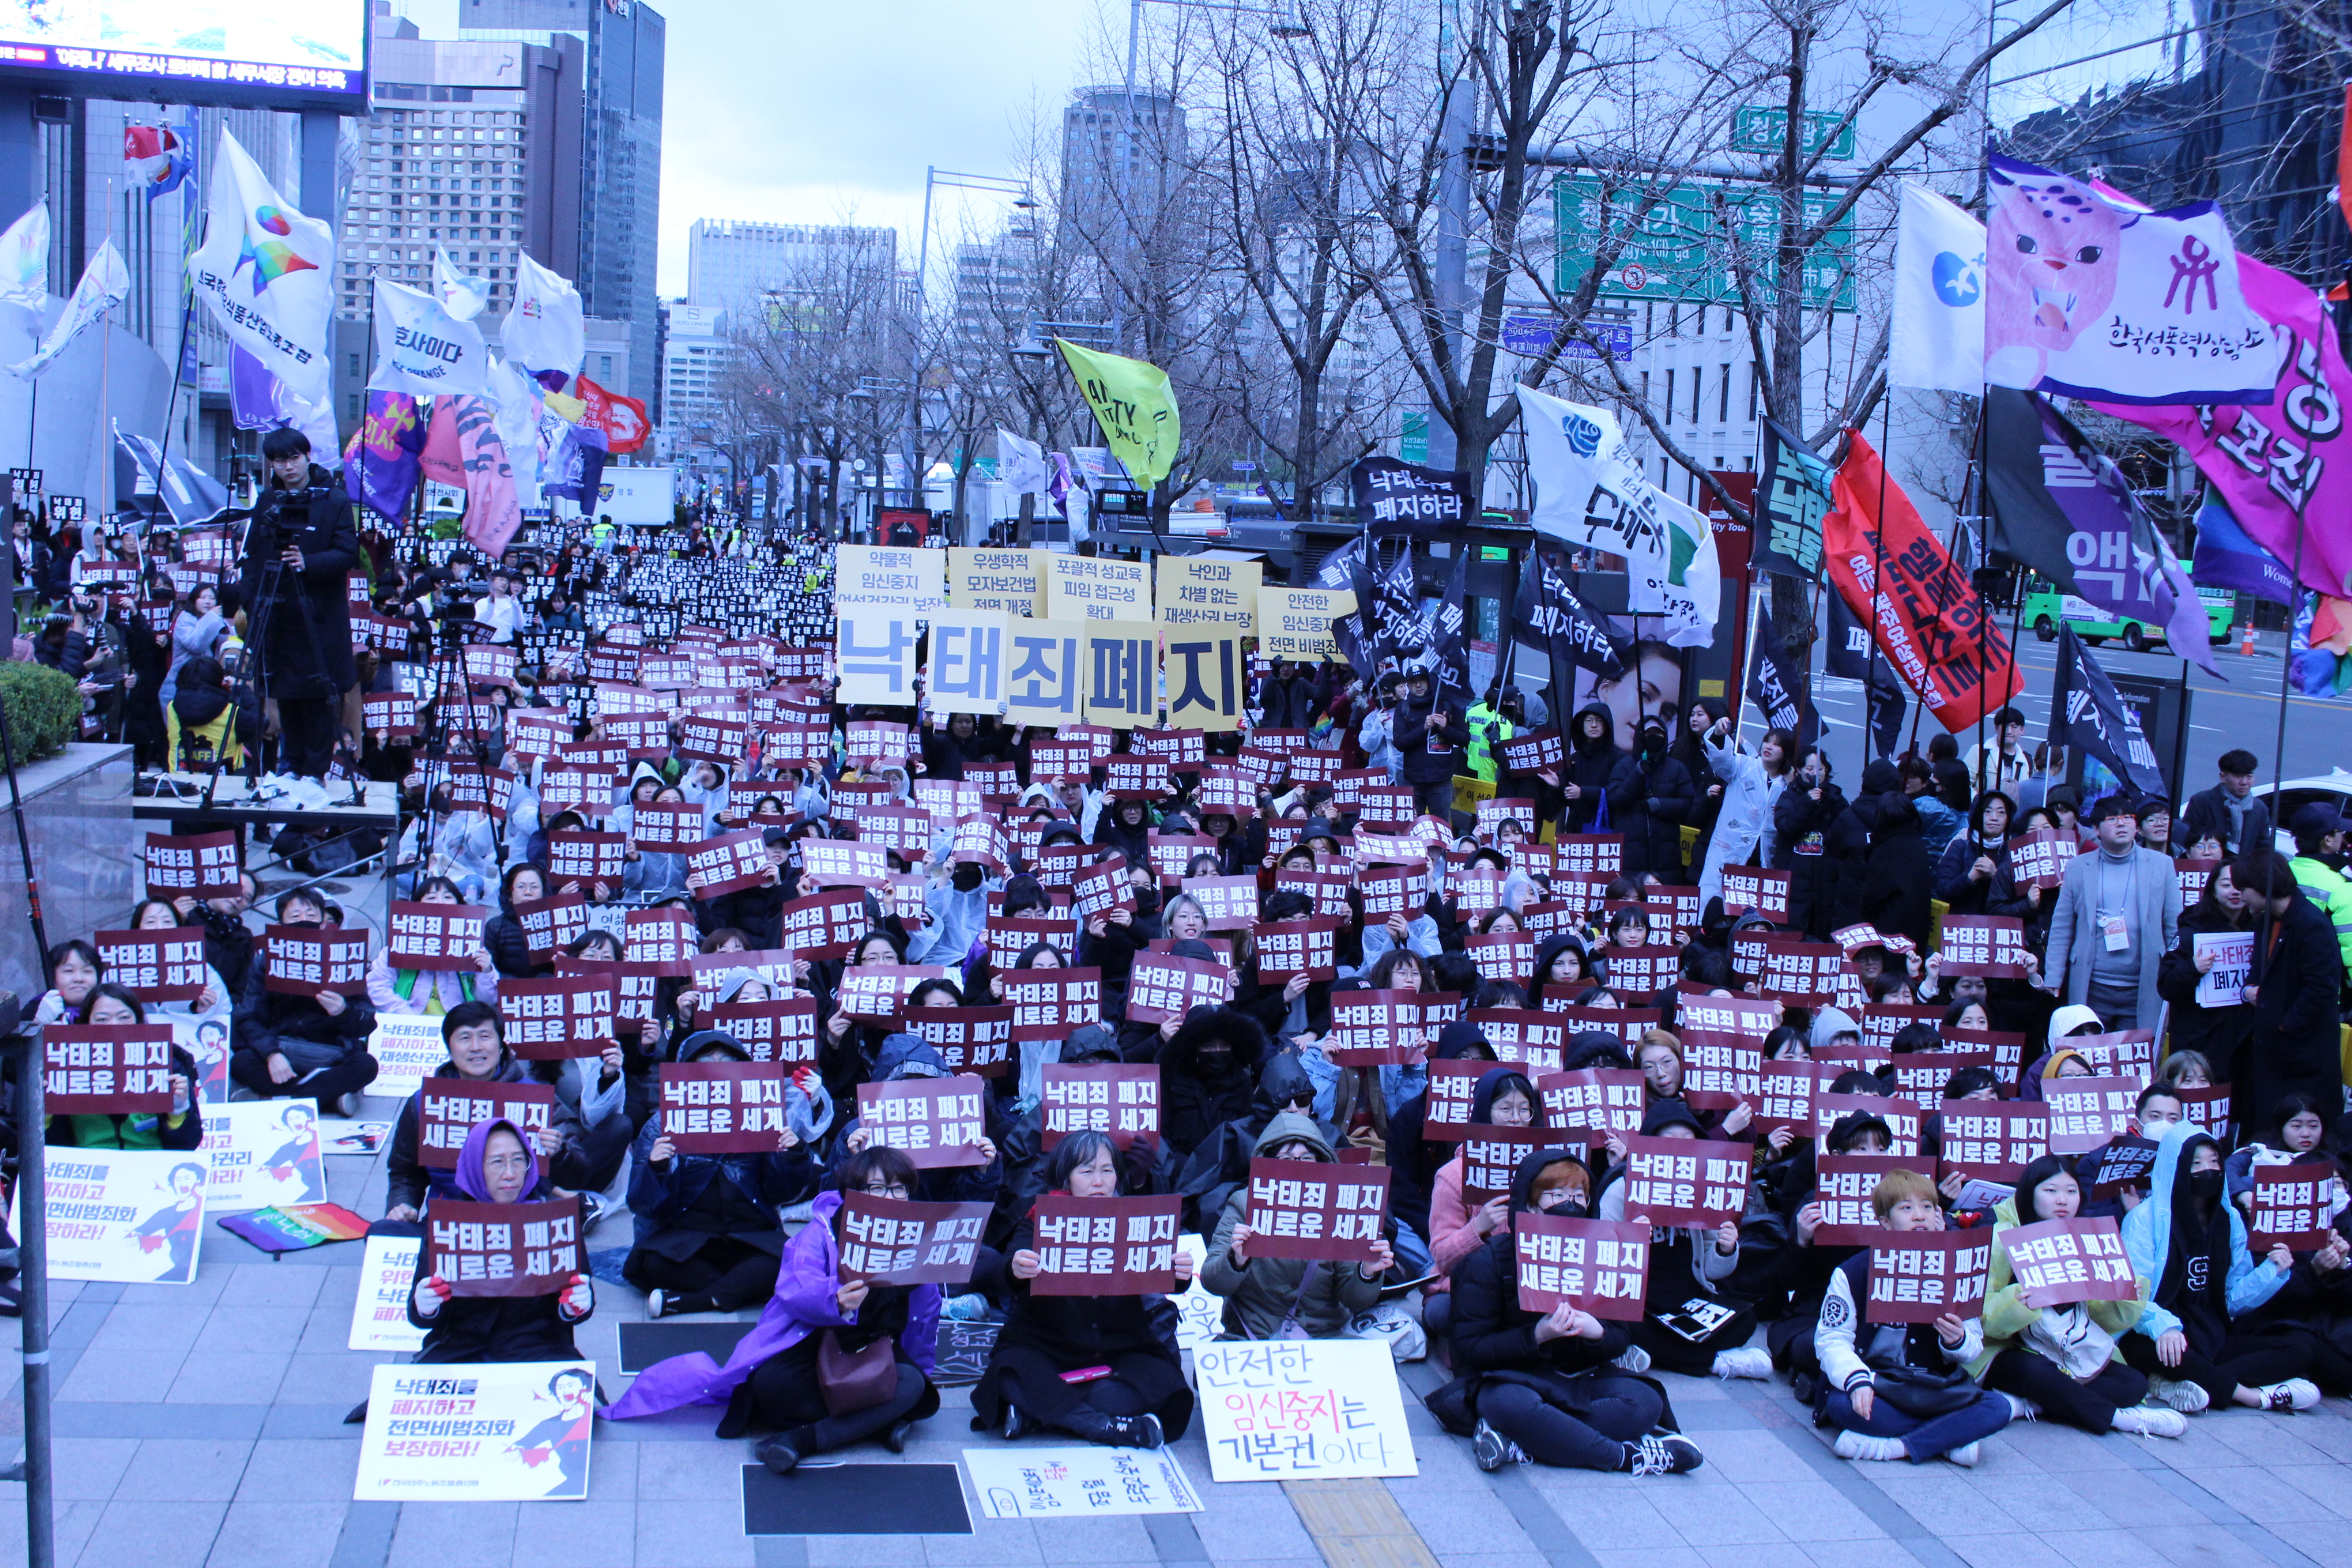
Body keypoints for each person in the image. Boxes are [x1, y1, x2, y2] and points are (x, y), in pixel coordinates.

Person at [604, 1146, 943, 1473]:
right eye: (878, 1188)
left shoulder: (917, 1244)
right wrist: (835, 1300)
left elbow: (923, 1323)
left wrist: (918, 1377)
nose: (891, 1198)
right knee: (772, 1390)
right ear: (854, 1192)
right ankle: (874, 1424)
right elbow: (794, 1288)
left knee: (913, 1386)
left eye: (899, 1189)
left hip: (875, 1354)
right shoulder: (821, 1232)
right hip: (813, 1347)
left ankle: (803, 1442)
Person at [1437, 1145, 1705, 1475]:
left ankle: (1525, 1442)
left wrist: (1598, 1332)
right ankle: (1627, 1457)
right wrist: (1537, 1336)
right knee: (1507, 1405)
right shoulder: (1491, 1260)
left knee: (1645, 1403)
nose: (1571, 1203)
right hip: (1511, 1378)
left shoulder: (1605, 1254)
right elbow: (1470, 1349)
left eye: (1579, 1195)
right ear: (1531, 1203)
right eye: (1556, 1194)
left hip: (1578, 1379)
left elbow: (1621, 1338)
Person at [973, 1130, 1194, 1448]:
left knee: (1167, 1387)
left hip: (1119, 1352)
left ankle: (1039, 1413)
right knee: (1009, 1374)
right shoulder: (1040, 1221)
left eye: (1107, 1171)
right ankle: (1108, 1427)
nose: (1099, 1181)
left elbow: (1166, 1276)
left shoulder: (1135, 1220)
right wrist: (1016, 1268)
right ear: (1066, 1179)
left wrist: (1180, 1272)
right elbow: (1005, 1275)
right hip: (1046, 1350)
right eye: (1087, 1171)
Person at [1972, 1154, 2182, 1437]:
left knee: (2133, 1383)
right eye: (2051, 1191)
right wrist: (2015, 1302)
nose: (2063, 1200)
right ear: (2029, 1193)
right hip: (2007, 1350)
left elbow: (2101, 1320)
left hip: (2069, 1349)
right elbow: (1977, 1311)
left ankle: (2030, 1404)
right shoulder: (2001, 1237)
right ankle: (2121, 1420)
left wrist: (2126, 1294)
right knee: (2034, 1372)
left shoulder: (2085, 1239)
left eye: (2071, 1192)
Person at [1814, 1169, 2012, 1463]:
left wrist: (1957, 1339)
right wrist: (1857, 1381)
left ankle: (1900, 1447)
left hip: (1937, 1386)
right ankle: (1950, 1438)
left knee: (1999, 1407)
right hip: (1879, 1383)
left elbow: (1973, 1348)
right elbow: (1832, 1338)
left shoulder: (1957, 1267)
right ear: (1885, 1221)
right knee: (1844, 1406)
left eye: (1927, 1207)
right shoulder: (1854, 1272)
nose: (1919, 1216)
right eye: (1906, 1208)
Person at [2118, 1123, 2317, 1413]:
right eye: (2196, 1163)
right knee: (2160, 1352)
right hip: (2155, 1335)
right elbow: (2132, 1292)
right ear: (2177, 1166)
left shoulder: (2229, 1220)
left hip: (2210, 1334)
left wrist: (2271, 1272)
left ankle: (2182, 1384)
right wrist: (2164, 1327)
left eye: (2214, 1162)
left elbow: (2232, 1299)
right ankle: (2252, 1397)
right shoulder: (2143, 1219)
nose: (2207, 1170)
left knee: (2301, 1350)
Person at [406, 1117, 595, 1362]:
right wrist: (426, 1305)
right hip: (459, 1351)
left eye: (518, 1160)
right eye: (497, 1162)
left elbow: (579, 1304)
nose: (510, 1174)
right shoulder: (447, 1222)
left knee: (595, 1401)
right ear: (475, 1166)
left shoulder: (554, 1220)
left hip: (540, 1350)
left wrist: (574, 1306)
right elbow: (419, 1316)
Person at [235, 427, 360, 787]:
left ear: (307, 457)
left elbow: (347, 553)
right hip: (276, 612)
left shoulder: (333, 499)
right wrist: (252, 599)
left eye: (293, 458)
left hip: (317, 612)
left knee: (318, 693)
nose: (287, 467)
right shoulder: (267, 500)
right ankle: (289, 765)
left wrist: (309, 562)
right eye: (279, 461)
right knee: (283, 690)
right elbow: (254, 556)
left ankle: (316, 770)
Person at [1200, 1110, 1394, 1337]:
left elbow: (1353, 1298)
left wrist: (1367, 1273)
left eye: (1307, 1159)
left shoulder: (1339, 1207)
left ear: (1321, 1163)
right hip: (1255, 1337)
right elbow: (1212, 1282)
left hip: (1325, 1337)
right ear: (1269, 1164)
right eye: (1286, 1159)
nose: (1297, 1166)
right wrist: (1236, 1260)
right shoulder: (1244, 1204)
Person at [2228, 850, 2347, 1130]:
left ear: (2261, 886)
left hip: (2302, 1058)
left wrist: (2285, 1027)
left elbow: (2321, 989)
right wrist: (2248, 992)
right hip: (2271, 1053)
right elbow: (2256, 973)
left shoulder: (2311, 925)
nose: (2241, 896)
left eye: (2243, 888)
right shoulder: (2265, 921)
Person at [229, 889, 380, 1109]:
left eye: (311, 916)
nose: (303, 921)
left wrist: (343, 1012)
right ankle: (327, 1099)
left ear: (323, 924)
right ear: (280, 924)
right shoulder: (265, 962)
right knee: (241, 1062)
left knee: (367, 1065)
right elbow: (248, 1017)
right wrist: (271, 1054)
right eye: (295, 916)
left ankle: (280, 1100)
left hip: (331, 1056)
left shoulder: (345, 959)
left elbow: (367, 1023)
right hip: (281, 1054)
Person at [2038, 796, 2179, 1031]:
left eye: (2128, 818)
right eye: (2112, 819)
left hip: (2144, 984)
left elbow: (2174, 925)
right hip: (2092, 984)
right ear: (2096, 829)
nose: (2122, 824)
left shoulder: (2162, 865)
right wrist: (2053, 975)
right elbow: (2062, 927)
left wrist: (2173, 975)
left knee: (2134, 1059)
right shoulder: (2078, 867)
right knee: (2091, 1056)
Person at [1695, 721, 1791, 907]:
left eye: (1776, 744)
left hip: (1763, 857)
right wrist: (1718, 733)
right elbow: (1721, 761)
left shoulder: (1787, 783)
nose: (1768, 747)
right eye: (1767, 741)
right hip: (1730, 849)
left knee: (1755, 912)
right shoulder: (1743, 765)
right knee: (1715, 902)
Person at [1395, 665, 1469, 821]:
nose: (1418, 685)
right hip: (1412, 782)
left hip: (1440, 782)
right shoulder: (1403, 708)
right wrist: (1424, 729)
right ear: (1408, 686)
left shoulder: (1447, 704)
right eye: (1413, 682)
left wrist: (1445, 728)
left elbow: (1465, 739)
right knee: (1411, 827)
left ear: (1429, 682)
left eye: (1422, 680)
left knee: (1440, 828)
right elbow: (1400, 743)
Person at [2286, 802, 2352, 973]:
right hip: (2328, 987)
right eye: (2339, 831)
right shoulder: (2340, 886)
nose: (2343, 836)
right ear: (2328, 840)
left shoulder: (2281, 873)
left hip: (2286, 979)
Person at [2180, 749, 2272, 862]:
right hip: (2208, 867)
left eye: (2249, 776)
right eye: (2238, 776)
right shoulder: (2202, 801)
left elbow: (2263, 846)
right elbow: (2187, 839)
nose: (2244, 782)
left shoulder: (2259, 808)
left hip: (2244, 871)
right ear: (2223, 777)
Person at [1965, 708, 2035, 798]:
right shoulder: (1979, 751)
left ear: (2022, 730)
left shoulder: (2028, 761)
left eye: (2014, 727)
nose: (2009, 731)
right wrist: (1979, 802)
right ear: (1997, 728)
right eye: (2005, 726)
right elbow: (1963, 782)